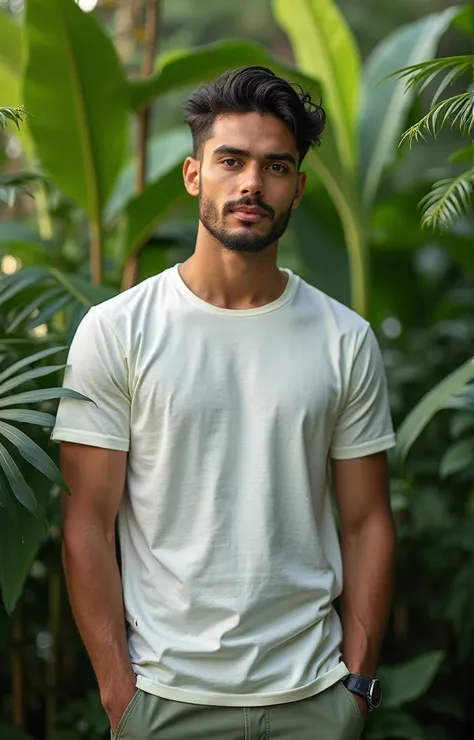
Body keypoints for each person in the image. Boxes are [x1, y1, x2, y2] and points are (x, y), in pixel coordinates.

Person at [52, 65, 397, 740]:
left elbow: (368, 524)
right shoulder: (119, 330)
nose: (250, 184)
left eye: (274, 167)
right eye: (230, 161)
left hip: (315, 699)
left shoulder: (344, 340)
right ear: (192, 174)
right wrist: (120, 694)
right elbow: (86, 520)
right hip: (164, 700)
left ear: (297, 188)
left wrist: (354, 688)